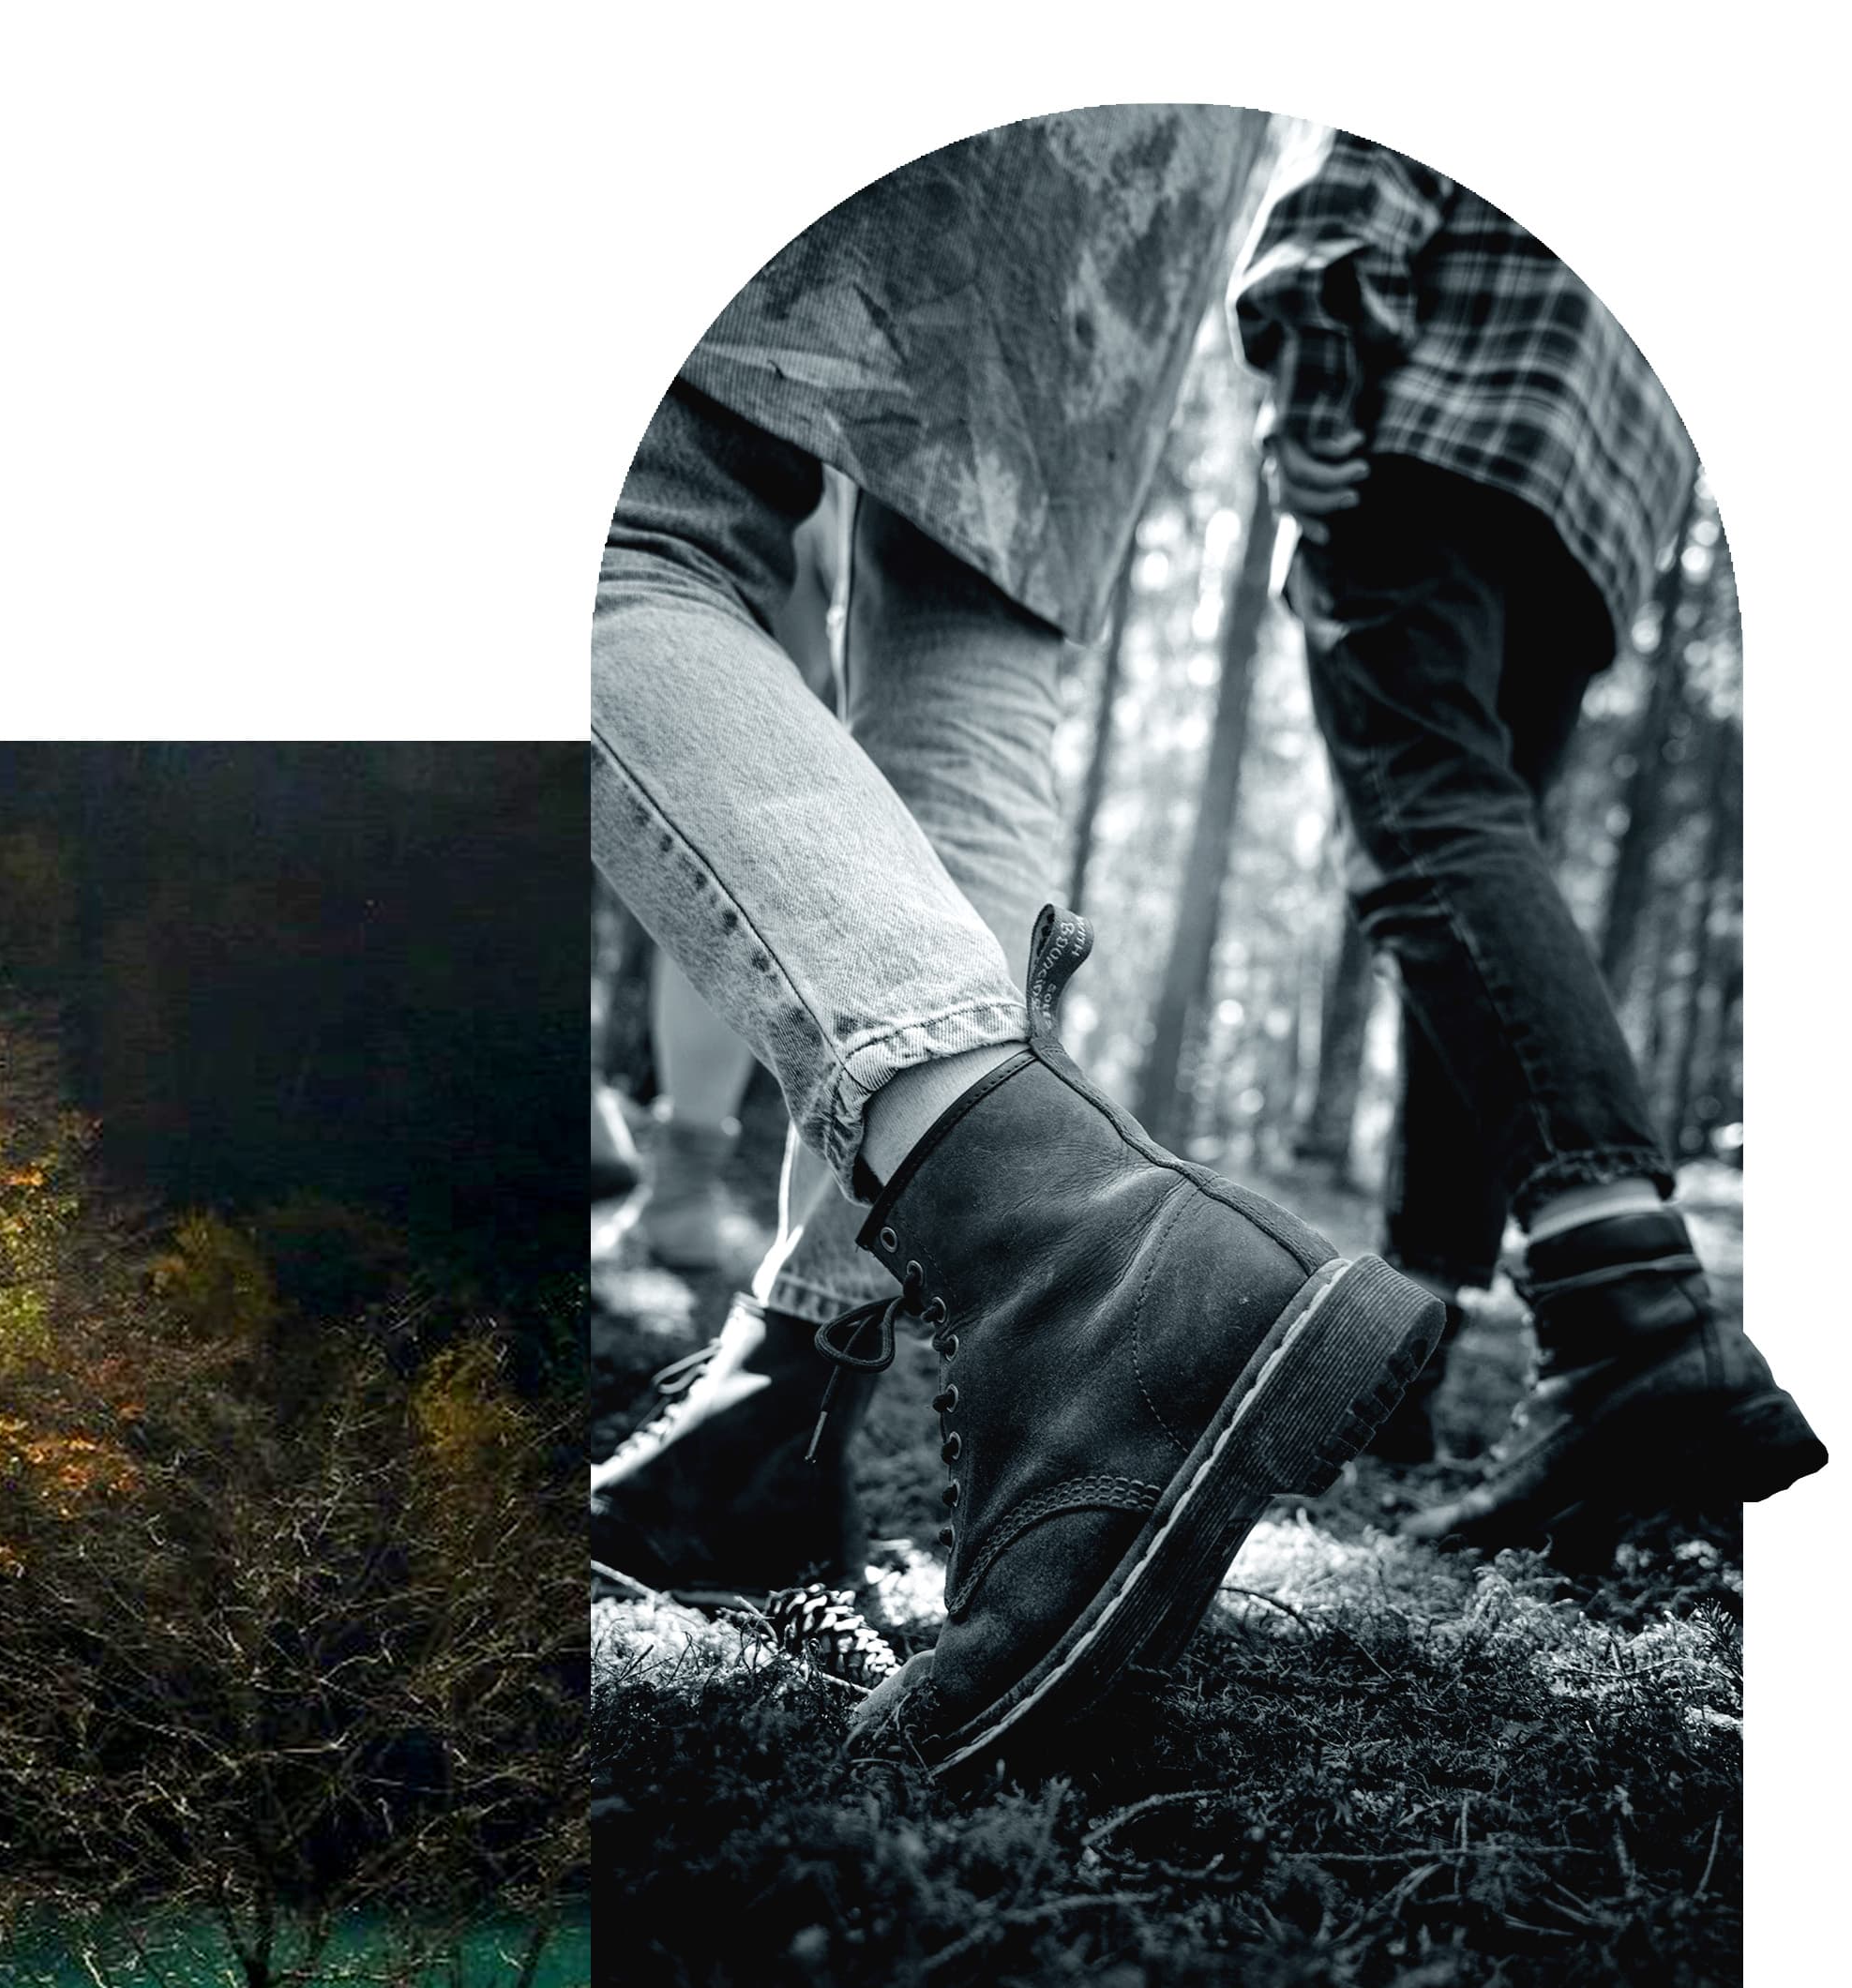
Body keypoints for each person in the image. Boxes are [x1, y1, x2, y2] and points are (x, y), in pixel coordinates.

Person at [593, 108, 1447, 1776]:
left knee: (637, 529)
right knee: (971, 630)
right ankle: (787, 1398)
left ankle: (1083, 1247)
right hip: (1152, 139)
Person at [1233, 130, 1825, 1548]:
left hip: (1436, 427)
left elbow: (1364, 162)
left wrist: (1311, 395)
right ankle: (1413, 1347)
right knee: (1471, 884)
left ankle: (1628, 1316)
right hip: (1600, 501)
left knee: (1431, 844)